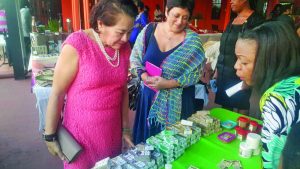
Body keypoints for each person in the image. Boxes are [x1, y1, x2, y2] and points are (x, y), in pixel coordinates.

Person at [43, 0, 138, 168]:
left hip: (111, 133)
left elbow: (122, 90)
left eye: (130, 32)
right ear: (100, 24)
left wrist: (125, 129)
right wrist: (49, 135)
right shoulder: (77, 45)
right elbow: (57, 93)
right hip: (80, 137)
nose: (126, 38)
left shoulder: (124, 49)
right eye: (121, 32)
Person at [130, 0, 205, 144]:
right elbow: (135, 59)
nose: (179, 22)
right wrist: (144, 76)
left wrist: (169, 83)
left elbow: (196, 73)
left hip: (178, 104)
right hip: (148, 100)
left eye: (185, 17)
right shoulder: (149, 31)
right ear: (166, 11)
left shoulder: (192, 41)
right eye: (176, 15)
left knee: (174, 147)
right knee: (147, 149)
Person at [234, 21, 300, 169]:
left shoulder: (276, 99)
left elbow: (272, 160)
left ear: (270, 63)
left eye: (244, 62)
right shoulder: (295, 83)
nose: (236, 66)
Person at [215, 0, 264, 115]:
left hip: (241, 74)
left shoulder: (256, 21)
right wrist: (218, 69)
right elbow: (224, 47)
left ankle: (241, 131)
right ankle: (226, 133)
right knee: (225, 104)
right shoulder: (233, 20)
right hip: (225, 73)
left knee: (242, 104)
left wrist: (250, 79)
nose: (230, 1)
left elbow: (259, 52)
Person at [20, 0, 31, 71]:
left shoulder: (20, 11)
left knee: (25, 50)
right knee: (29, 51)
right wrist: (29, 31)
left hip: (22, 34)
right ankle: (28, 67)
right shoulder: (26, 11)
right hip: (26, 34)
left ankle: (26, 66)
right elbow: (26, 23)